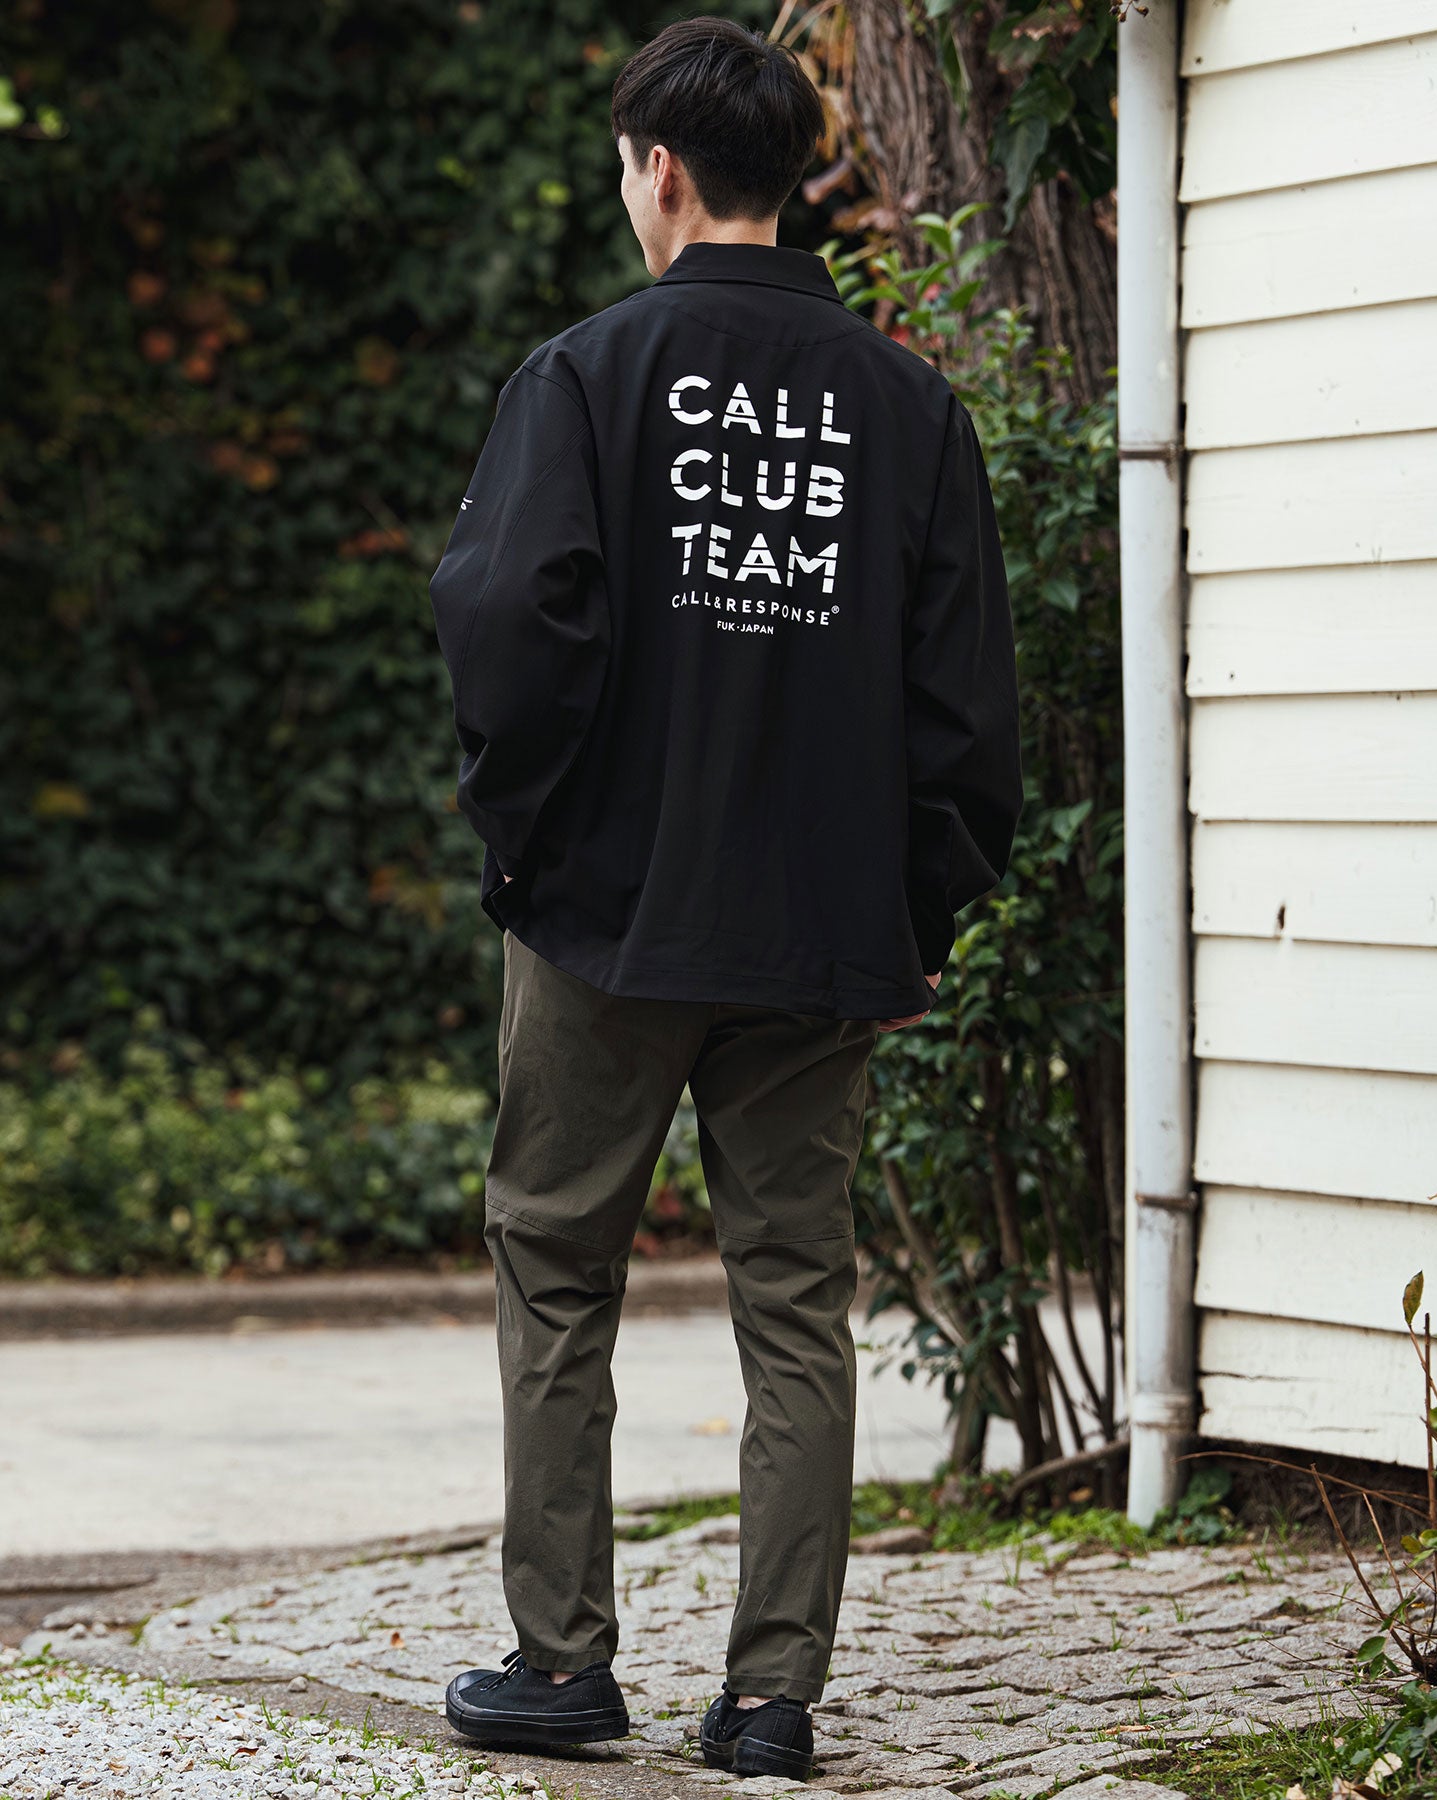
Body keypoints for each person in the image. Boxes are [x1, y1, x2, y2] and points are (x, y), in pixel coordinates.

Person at [428, 13, 1023, 1783]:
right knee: (796, 1303)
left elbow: (507, 628)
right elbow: (966, 708)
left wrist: (531, 848)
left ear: (664, 172)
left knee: (556, 1270)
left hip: (603, 920)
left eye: (627, 170)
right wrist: (914, 907)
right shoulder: (910, 409)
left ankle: (562, 1665)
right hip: (821, 932)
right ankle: (773, 1700)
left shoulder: (586, 377)